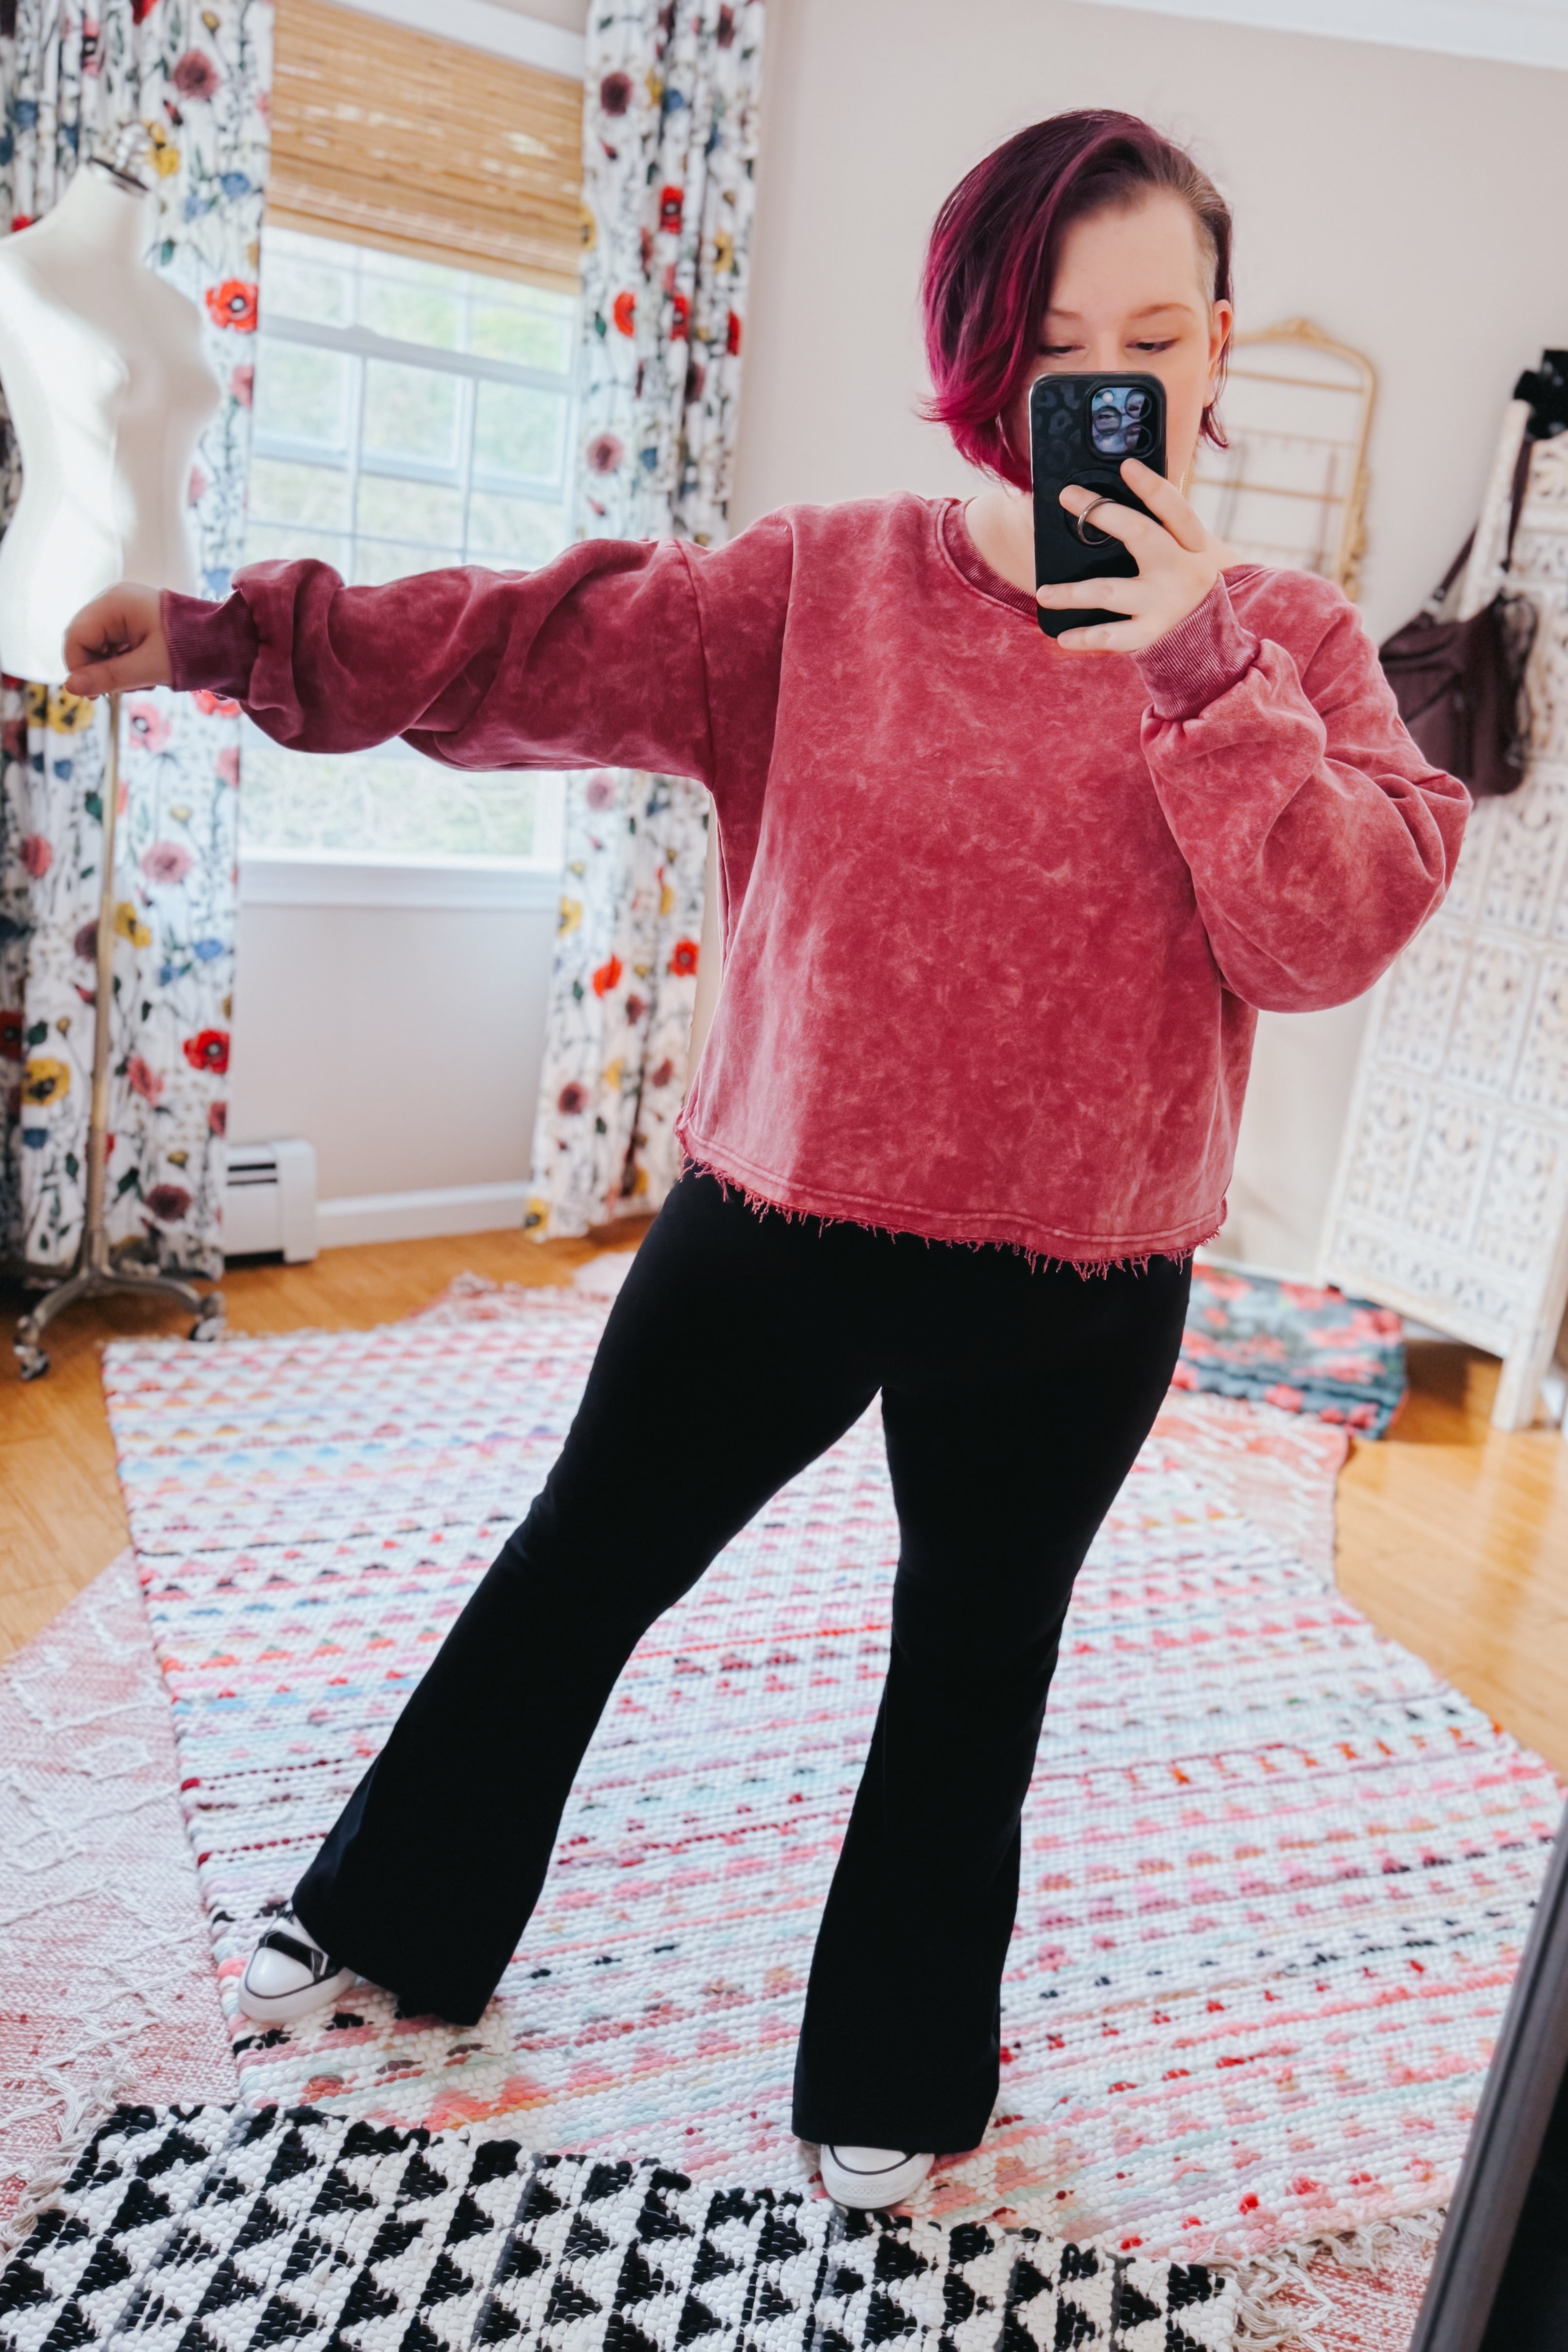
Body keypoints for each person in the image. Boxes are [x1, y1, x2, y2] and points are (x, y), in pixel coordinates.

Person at [62, 110, 1467, 2213]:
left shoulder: (1289, 644)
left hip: (1080, 1274)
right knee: (580, 1569)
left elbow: (1322, 932)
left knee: (970, 1665)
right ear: (983, 354)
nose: (1113, 382)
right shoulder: (829, 582)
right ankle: (388, 1922)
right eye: (1058, 343)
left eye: (1157, 336)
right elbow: (527, 643)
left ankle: (895, 2073)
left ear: (1218, 346)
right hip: (780, 1217)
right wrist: (223, 637)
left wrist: (1195, 664)